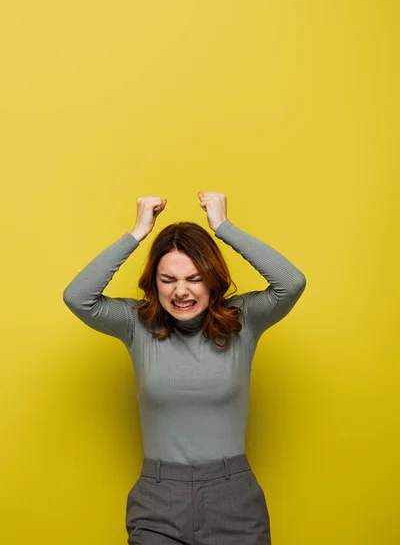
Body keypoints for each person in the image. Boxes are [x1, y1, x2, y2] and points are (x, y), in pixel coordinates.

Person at [63, 191, 307, 544]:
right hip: (158, 500)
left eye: (194, 278)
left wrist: (224, 228)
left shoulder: (245, 320)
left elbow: (291, 284)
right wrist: (137, 233)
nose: (181, 291)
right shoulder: (136, 324)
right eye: (168, 279)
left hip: (233, 499)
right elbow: (78, 297)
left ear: (213, 280)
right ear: (154, 283)